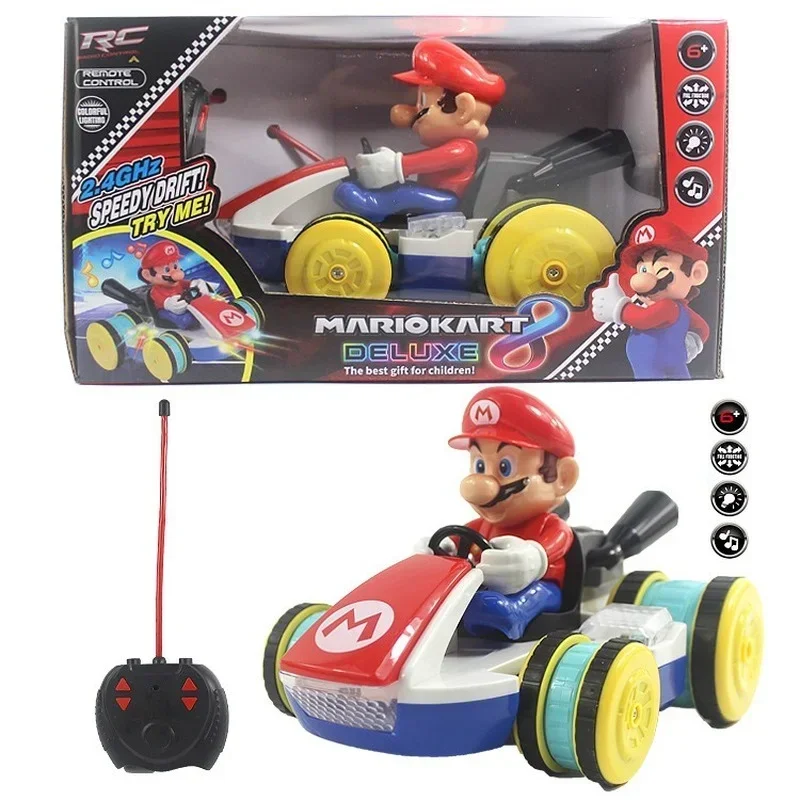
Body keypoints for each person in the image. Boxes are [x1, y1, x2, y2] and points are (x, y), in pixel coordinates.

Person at [335, 38, 505, 222]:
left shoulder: (463, 149)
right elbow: (422, 161)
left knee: (405, 192)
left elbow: (425, 162)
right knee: (405, 188)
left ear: (462, 109)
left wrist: (395, 164)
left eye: (423, 102)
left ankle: (372, 205)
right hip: (434, 193)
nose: (412, 113)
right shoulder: (454, 145)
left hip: (446, 200)